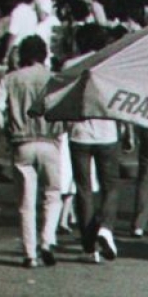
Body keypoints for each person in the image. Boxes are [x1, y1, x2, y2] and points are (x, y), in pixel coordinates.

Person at [0, 33, 62, 269]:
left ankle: (29, 253)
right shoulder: (54, 79)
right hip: (50, 141)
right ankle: (47, 240)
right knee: (52, 194)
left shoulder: (10, 79)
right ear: (44, 54)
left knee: (25, 202)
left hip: (21, 142)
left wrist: (6, 130)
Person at [65, 24, 121, 262]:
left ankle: (89, 248)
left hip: (79, 132)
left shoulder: (70, 66)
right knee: (111, 186)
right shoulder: (112, 65)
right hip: (107, 132)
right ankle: (106, 227)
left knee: (84, 188)